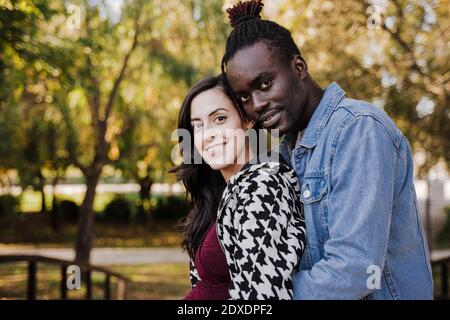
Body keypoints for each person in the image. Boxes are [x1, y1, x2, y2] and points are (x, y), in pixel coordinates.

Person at [220, 0, 434, 299]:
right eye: (244, 97)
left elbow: (355, 270)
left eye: (265, 83)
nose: (256, 104)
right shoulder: (284, 155)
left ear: (299, 67)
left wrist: (263, 296)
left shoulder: (359, 129)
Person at [172, 75, 306, 300]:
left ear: (247, 120)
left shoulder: (263, 187)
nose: (208, 134)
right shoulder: (222, 192)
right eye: (197, 126)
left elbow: (264, 298)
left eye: (220, 118)